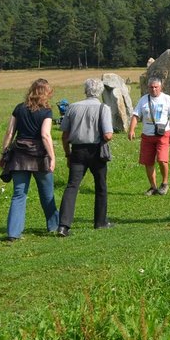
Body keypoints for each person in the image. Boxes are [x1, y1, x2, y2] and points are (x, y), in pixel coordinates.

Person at [0, 79, 58, 241]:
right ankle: (53, 226)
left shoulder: (19, 108)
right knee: (47, 194)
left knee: (19, 194)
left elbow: (10, 133)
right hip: (40, 157)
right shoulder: (46, 111)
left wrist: (4, 153)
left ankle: (13, 233)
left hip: (19, 157)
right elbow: (45, 135)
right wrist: (52, 157)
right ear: (46, 93)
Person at [57, 78, 114, 236]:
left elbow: (64, 135)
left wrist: (67, 154)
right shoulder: (104, 108)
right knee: (100, 186)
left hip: (77, 151)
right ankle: (100, 221)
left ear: (85, 90)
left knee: (72, 186)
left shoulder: (73, 107)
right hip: (96, 151)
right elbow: (108, 135)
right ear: (100, 92)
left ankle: (63, 225)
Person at [128, 78, 170, 196]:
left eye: (156, 87)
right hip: (147, 135)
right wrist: (131, 130)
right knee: (148, 162)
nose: (154, 89)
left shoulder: (167, 99)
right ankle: (153, 187)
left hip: (163, 134)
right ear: (148, 87)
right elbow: (136, 115)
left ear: (160, 87)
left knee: (162, 159)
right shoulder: (143, 100)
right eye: (151, 87)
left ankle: (165, 183)